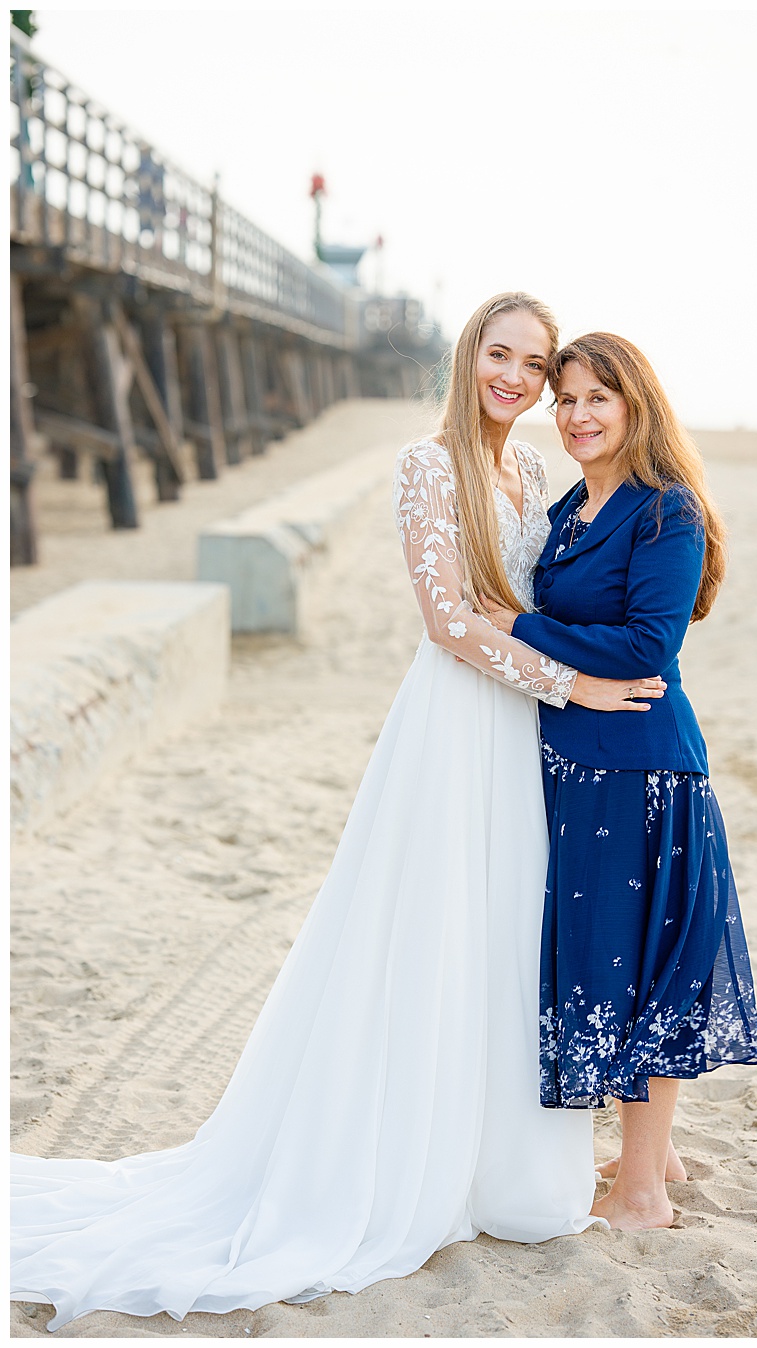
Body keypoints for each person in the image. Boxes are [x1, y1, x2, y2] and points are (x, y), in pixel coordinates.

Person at [11, 293, 662, 1329]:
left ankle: (495, 1157)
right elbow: (447, 619)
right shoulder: (426, 462)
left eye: (535, 364)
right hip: (458, 721)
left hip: (521, 736)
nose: (517, 378)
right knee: (431, 921)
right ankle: (401, 1151)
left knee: (505, 929)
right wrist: (572, 685)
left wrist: (564, 655)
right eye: (502, 354)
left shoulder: (528, 470)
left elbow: (528, 599)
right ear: (469, 354)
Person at [483, 332, 757, 1232]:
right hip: (580, 763)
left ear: (636, 404)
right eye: (563, 400)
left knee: (640, 972)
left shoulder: (666, 510)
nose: (576, 416)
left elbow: (651, 645)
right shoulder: (572, 509)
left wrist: (523, 627)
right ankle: (659, 1155)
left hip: (643, 769)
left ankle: (641, 1192)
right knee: (615, 961)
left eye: (596, 398)